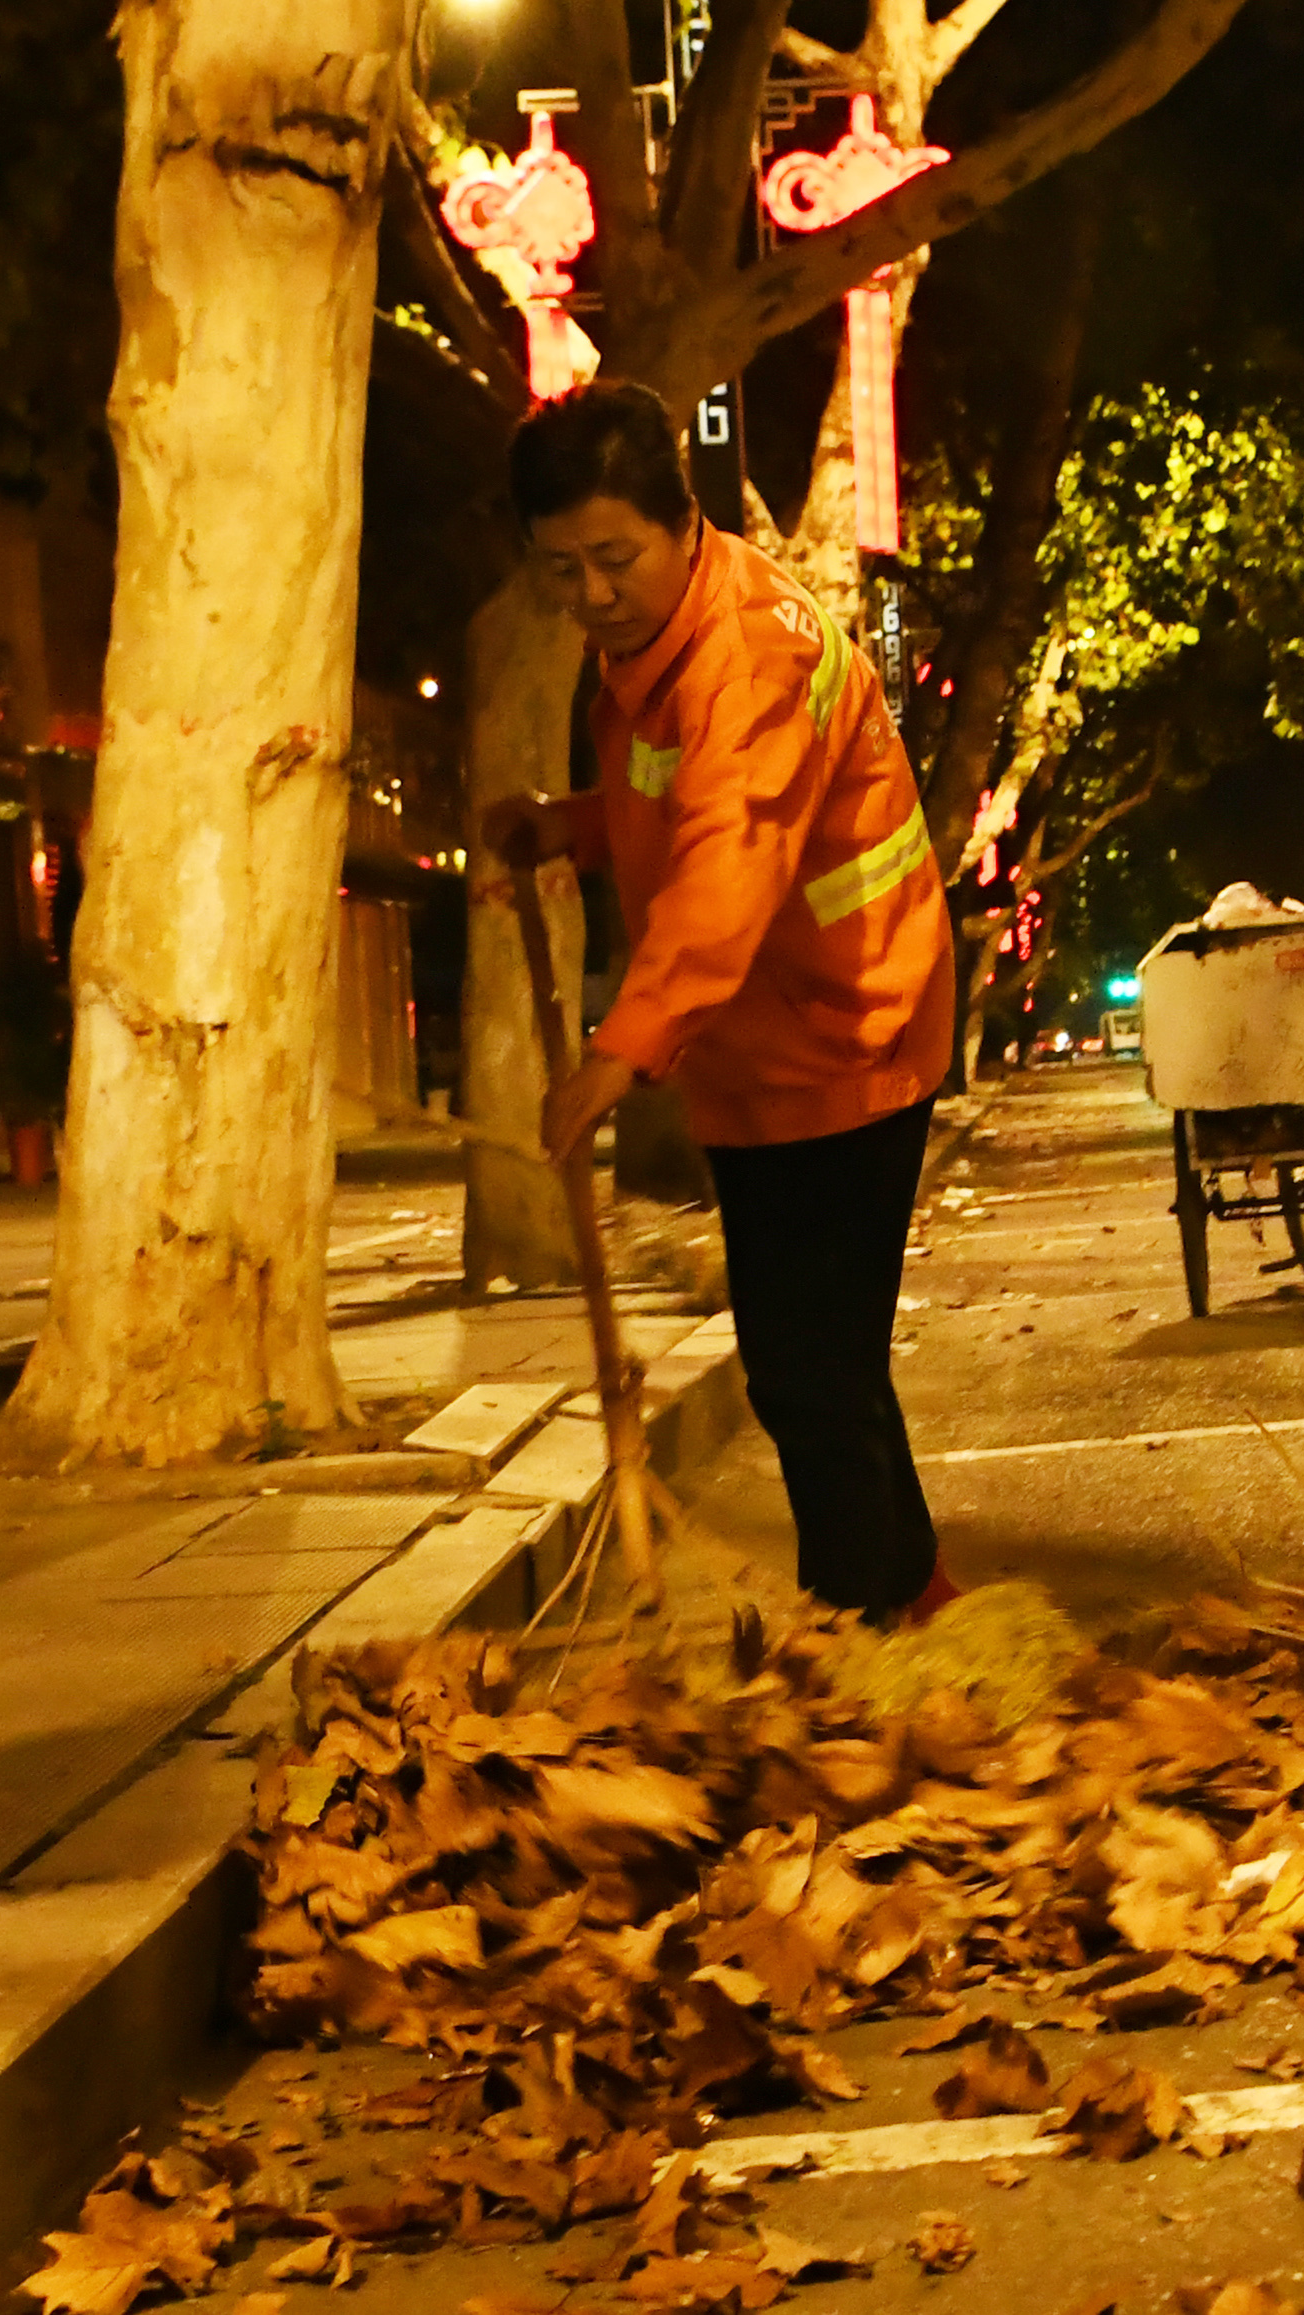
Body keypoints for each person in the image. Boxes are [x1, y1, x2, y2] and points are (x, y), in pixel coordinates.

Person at [482, 381, 957, 1626]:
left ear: (681, 520)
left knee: (812, 1367)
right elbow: (671, 805)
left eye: (610, 558)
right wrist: (568, 826)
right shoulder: (649, 639)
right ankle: (901, 1607)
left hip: (850, 1025)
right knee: (810, 1366)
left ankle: (866, 1623)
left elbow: (729, 860)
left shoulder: (747, 651)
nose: (587, 593)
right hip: (753, 1048)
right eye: (560, 567)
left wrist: (620, 1051)